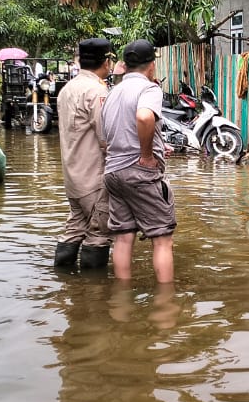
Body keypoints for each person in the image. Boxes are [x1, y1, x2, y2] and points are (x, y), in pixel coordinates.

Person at [101, 39, 175, 283]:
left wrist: (157, 145)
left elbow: (111, 133)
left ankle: (122, 300)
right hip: (138, 171)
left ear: (125, 64)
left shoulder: (112, 92)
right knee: (162, 239)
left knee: (123, 236)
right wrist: (146, 155)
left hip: (113, 171)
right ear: (151, 66)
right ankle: (166, 305)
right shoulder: (149, 89)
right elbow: (144, 117)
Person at [54, 38, 113, 269]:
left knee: (75, 228)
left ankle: (65, 284)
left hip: (72, 176)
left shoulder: (67, 89)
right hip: (93, 177)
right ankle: (93, 296)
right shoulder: (96, 91)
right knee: (99, 233)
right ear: (106, 61)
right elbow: (106, 137)